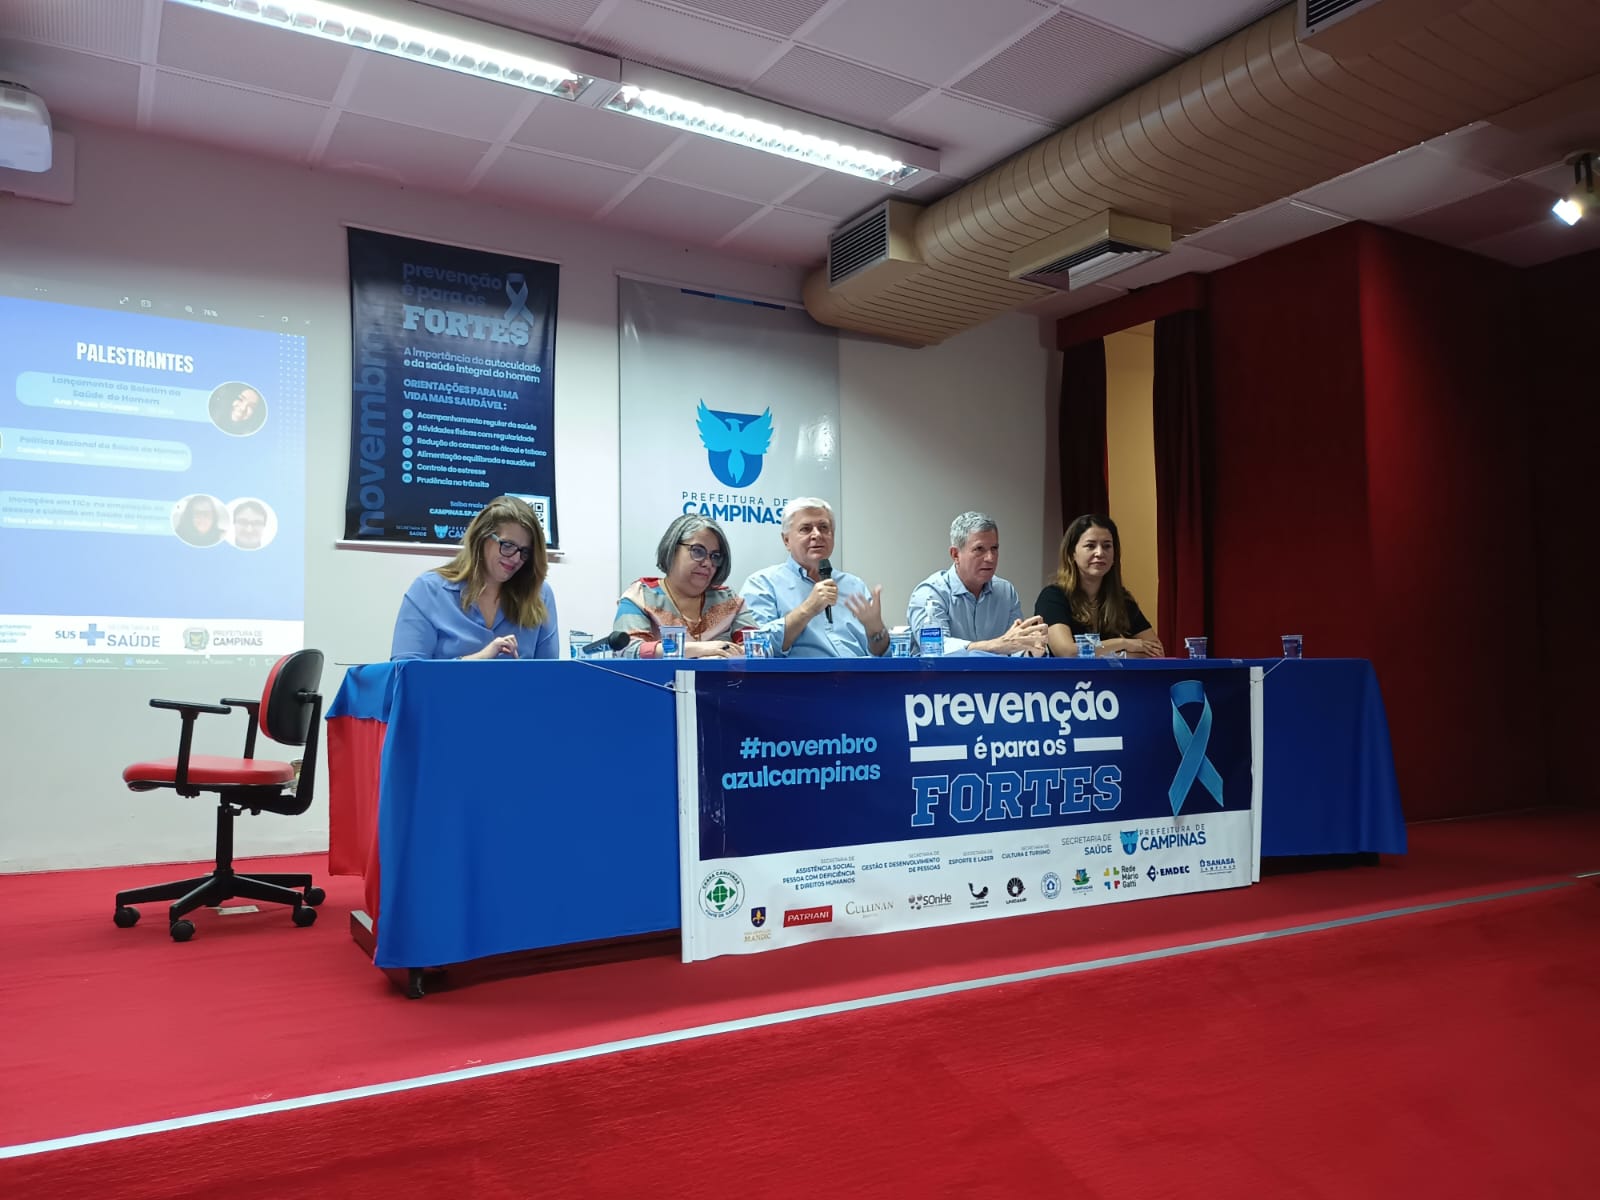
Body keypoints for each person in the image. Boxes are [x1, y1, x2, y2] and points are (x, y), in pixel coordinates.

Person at [390, 495, 559, 661]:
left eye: (525, 552)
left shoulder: (540, 595)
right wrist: (478, 659)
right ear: (482, 537)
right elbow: (405, 677)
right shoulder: (429, 590)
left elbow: (550, 679)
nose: (516, 559)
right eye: (507, 546)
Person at [739, 497, 889, 658]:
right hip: (800, 681)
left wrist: (876, 631)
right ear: (786, 540)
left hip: (860, 679)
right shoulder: (762, 584)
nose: (817, 534)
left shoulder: (854, 585)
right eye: (806, 529)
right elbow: (757, 651)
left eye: (824, 527)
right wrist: (808, 609)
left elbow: (882, 656)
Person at [907, 512, 1049, 656]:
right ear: (955, 554)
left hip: (995, 678)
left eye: (994, 548)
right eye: (979, 549)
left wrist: (1032, 650)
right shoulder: (930, 593)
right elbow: (938, 649)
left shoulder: (1006, 591)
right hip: (942, 678)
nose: (990, 558)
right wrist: (997, 645)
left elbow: (1013, 648)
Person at [612, 515, 753, 658]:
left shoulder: (728, 601)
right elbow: (627, 650)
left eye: (715, 556)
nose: (708, 563)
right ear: (672, 549)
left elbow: (757, 648)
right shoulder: (640, 596)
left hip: (723, 681)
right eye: (698, 551)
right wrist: (701, 650)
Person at [1035, 514, 1164, 658]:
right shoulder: (1053, 597)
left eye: (1107, 546)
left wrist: (1107, 653)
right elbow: (1067, 652)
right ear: (1072, 553)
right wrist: (1123, 643)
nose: (1100, 553)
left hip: (1113, 680)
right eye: (1090, 546)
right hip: (1067, 680)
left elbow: (1156, 653)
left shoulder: (1122, 600)